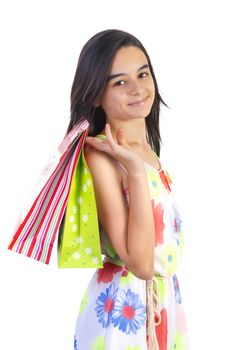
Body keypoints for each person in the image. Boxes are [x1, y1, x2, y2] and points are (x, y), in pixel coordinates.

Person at [67, 29, 189, 349]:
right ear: (95, 95)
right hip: (124, 308)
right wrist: (134, 170)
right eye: (120, 82)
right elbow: (141, 264)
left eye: (143, 74)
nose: (138, 88)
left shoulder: (147, 149)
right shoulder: (101, 156)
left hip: (162, 301)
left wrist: (138, 163)